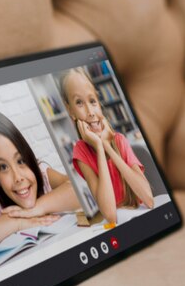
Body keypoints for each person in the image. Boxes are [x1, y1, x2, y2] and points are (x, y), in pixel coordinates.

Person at [0, 108, 80, 250]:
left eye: (20, 161)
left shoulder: (43, 175)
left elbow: (80, 187)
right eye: (3, 167)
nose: (18, 177)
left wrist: (37, 209)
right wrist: (18, 222)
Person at [59, 67, 154, 223]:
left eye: (92, 101)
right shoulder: (80, 152)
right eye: (79, 103)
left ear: (99, 102)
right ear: (70, 111)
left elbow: (149, 200)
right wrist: (99, 147)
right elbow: (110, 214)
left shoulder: (120, 140)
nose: (90, 112)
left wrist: (108, 146)